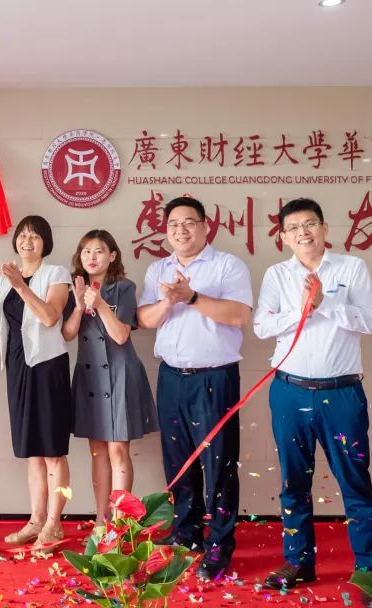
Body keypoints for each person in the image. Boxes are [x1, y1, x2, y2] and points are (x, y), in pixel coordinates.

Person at [253, 198, 372, 608]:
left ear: (325, 229)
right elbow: (261, 327)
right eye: (293, 227)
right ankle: (298, 562)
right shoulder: (277, 275)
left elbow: (370, 321)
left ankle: (371, 573)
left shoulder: (351, 268)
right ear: (283, 237)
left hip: (341, 394)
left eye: (310, 224)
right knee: (293, 482)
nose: (303, 233)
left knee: (355, 484)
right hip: (289, 392)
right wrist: (301, 312)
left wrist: (327, 303)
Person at [136, 196, 252, 581]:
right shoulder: (158, 269)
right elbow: (145, 319)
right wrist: (169, 301)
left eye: (189, 222)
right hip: (171, 377)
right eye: (173, 224)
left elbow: (239, 316)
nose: (180, 230)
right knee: (178, 462)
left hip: (214, 379)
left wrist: (193, 297)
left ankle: (219, 545)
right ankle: (186, 534)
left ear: (205, 226)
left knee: (218, 464)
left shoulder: (227, 265)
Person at [0, 215, 73, 553]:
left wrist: (20, 286)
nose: (27, 241)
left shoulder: (56, 274)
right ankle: (36, 519)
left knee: (53, 451)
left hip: (47, 366)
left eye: (35, 236)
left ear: (46, 242)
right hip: (17, 365)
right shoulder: (6, 277)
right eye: (23, 235)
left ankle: (54, 523)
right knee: (32, 451)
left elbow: (50, 317)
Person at [61, 229, 156, 529]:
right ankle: (101, 520)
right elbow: (67, 334)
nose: (92, 257)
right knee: (97, 450)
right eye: (86, 251)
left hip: (119, 373)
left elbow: (120, 335)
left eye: (99, 251)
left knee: (118, 449)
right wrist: (79, 305)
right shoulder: (73, 288)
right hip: (90, 376)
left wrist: (100, 303)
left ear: (112, 256)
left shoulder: (124, 288)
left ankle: (120, 522)